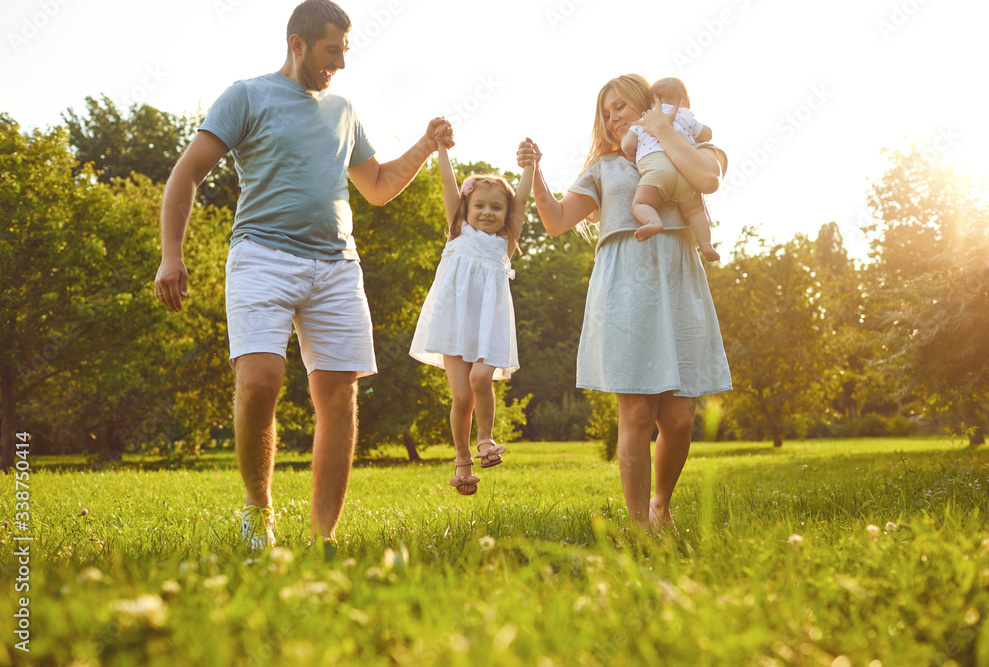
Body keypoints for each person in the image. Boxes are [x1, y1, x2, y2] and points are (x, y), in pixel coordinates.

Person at [153, 0, 454, 550]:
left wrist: (426, 143)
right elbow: (186, 175)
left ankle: (323, 538)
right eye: (330, 50)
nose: (338, 62)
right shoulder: (247, 95)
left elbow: (379, 186)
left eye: (344, 50)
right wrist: (171, 255)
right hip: (261, 256)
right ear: (297, 43)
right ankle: (257, 511)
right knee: (260, 381)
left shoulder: (343, 109)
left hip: (337, 266)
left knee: (339, 396)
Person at [517, 74, 730, 529]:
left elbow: (709, 180)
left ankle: (661, 504)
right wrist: (534, 172)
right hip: (625, 290)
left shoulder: (697, 146)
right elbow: (555, 222)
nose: (612, 118)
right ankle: (639, 526)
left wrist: (665, 127)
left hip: (679, 283)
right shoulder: (603, 167)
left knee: (679, 417)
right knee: (635, 411)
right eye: (605, 112)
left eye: (621, 108)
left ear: (647, 103)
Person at [409, 142, 533, 495]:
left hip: (489, 325)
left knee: (482, 378)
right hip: (453, 323)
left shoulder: (504, 243)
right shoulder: (457, 231)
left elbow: (522, 202)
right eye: (479, 205)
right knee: (461, 397)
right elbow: (449, 184)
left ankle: (485, 440)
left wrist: (531, 166)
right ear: (467, 208)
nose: (487, 212)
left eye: (496, 207)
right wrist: (441, 149)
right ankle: (462, 461)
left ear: (506, 214)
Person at [620, 77, 720, 261]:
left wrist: (633, 152)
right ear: (682, 103)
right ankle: (706, 245)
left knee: (641, 203)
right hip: (685, 172)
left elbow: (627, 146)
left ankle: (653, 221)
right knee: (695, 211)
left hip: (658, 168)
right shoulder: (685, 115)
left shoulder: (643, 120)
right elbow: (707, 135)